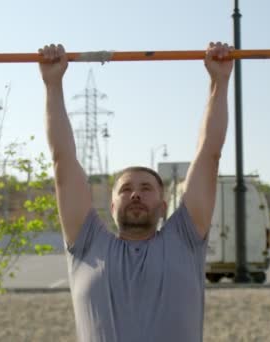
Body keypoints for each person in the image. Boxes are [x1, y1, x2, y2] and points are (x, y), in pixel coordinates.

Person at [38, 42, 233, 342]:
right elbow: (62, 160)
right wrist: (53, 84)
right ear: (112, 206)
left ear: (164, 204)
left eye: (146, 188)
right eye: (126, 189)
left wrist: (219, 82)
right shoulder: (88, 243)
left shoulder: (184, 238)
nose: (136, 194)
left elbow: (209, 154)